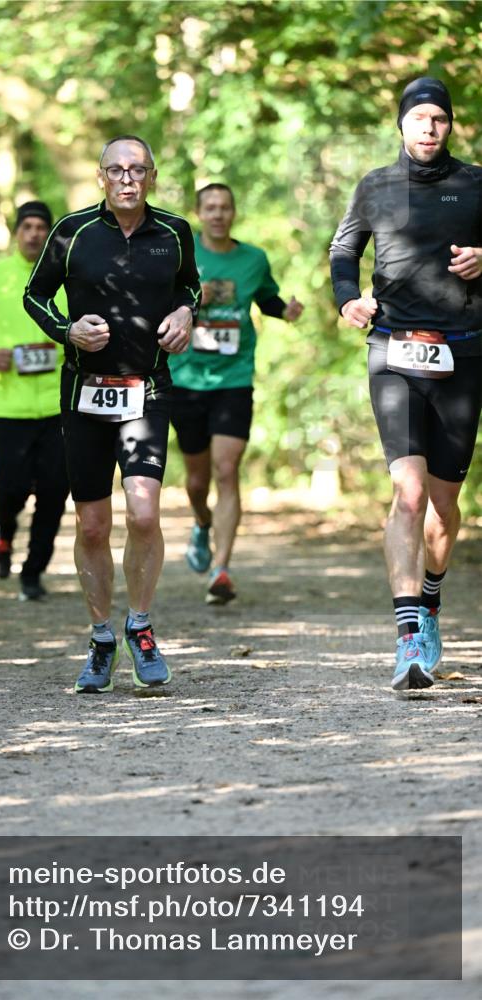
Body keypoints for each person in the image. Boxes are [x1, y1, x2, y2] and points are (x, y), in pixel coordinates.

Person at [24, 135, 200, 692]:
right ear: (101, 177)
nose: (127, 179)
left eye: (138, 170)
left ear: (151, 176)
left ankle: (140, 627)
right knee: (93, 524)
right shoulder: (71, 233)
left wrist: (185, 313)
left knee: (144, 514)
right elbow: (35, 297)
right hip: (84, 392)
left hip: (147, 389)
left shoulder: (174, 232)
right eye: (117, 170)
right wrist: (66, 330)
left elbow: (190, 286)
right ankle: (101, 636)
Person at [330, 77, 482, 690]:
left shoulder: (475, 184)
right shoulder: (375, 186)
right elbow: (344, 252)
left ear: (450, 126)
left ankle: (433, 601)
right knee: (410, 492)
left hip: (463, 356)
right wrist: (348, 302)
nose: (428, 127)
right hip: (393, 351)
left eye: (438, 119)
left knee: (444, 509)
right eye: (418, 117)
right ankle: (408, 632)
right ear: (401, 125)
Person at [170, 183, 303, 604]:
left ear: (234, 213)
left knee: (227, 470)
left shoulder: (253, 259)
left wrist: (287, 311)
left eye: (225, 207)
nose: (218, 214)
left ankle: (221, 569)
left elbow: (266, 299)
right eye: (210, 208)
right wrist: (192, 298)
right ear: (199, 212)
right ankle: (201, 522)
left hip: (234, 379)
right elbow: (154, 301)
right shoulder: (180, 253)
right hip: (187, 378)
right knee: (196, 479)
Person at [0, 201, 70, 601]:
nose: (34, 233)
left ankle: (33, 570)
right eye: (27, 226)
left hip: (57, 403)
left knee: (55, 491)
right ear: (16, 231)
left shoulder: (66, 278)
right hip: (7, 405)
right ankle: (3, 534)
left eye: (42, 226)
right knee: (11, 487)